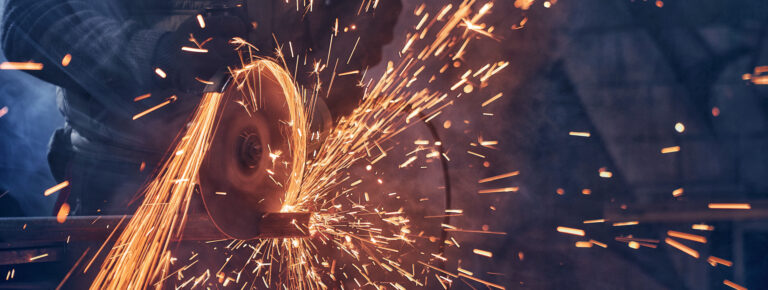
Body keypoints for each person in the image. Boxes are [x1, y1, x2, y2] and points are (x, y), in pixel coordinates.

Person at [1, 0, 401, 215]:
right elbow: (24, 20)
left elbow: (364, 16)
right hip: (123, 188)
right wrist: (155, 54)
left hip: (274, 184)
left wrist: (327, 90)